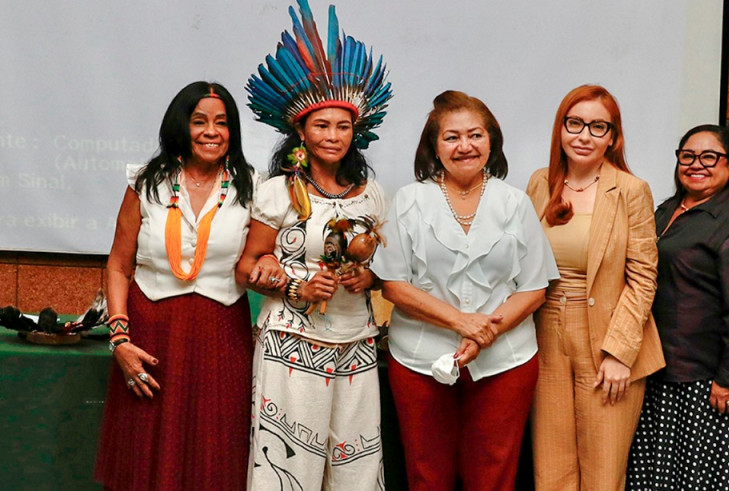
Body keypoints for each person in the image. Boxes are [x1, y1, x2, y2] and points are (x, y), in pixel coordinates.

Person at [237, 2, 393, 489]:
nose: (333, 136)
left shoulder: (372, 193)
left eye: (343, 126)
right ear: (300, 132)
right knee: (289, 469)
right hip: (291, 342)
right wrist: (296, 285)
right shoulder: (277, 190)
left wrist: (367, 277)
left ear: (356, 132)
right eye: (322, 126)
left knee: (357, 467)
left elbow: (383, 270)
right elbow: (247, 267)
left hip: (357, 342)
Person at [371, 90, 558, 491]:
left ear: (492, 141)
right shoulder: (407, 200)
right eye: (451, 137)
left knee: (493, 476)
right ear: (433, 147)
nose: (465, 146)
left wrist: (486, 332)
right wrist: (462, 323)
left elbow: (534, 288)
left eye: (475, 135)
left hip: (505, 361)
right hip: (420, 361)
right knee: (426, 475)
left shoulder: (516, 203)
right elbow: (394, 286)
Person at [94, 81, 257, 490]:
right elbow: (118, 265)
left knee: (215, 453)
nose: (211, 131)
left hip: (222, 338)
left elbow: (262, 254)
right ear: (179, 126)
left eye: (222, 123)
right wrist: (119, 339)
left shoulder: (253, 186)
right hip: (151, 336)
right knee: (145, 454)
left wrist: (269, 260)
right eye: (199, 121)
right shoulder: (146, 182)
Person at [525, 85, 664, 491]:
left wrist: (619, 353)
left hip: (608, 341)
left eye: (597, 127)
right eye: (575, 124)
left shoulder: (630, 190)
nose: (584, 136)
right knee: (551, 472)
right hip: (545, 334)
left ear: (612, 137)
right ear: (561, 128)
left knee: (603, 475)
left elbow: (643, 278)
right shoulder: (540, 183)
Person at [625, 125, 729, 490]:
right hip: (657, 370)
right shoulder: (666, 210)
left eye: (709, 157)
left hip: (705, 381)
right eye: (687, 156)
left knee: (698, 481)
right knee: (657, 478)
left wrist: (728, 380)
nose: (696, 165)